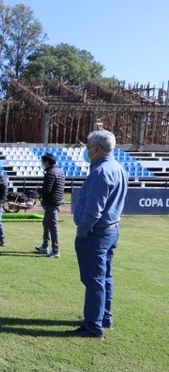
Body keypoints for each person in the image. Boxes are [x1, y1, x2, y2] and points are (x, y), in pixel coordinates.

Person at [69, 130, 128, 339]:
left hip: (96, 233)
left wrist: (82, 230)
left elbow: (94, 210)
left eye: (87, 146)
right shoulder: (118, 168)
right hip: (111, 230)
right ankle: (104, 317)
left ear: (96, 149)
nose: (86, 150)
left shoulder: (101, 172)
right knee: (105, 277)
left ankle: (93, 326)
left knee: (94, 280)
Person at [35, 153, 66, 258]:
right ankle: (44, 246)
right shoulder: (60, 171)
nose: (42, 164)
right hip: (56, 201)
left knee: (53, 226)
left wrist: (38, 192)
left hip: (52, 203)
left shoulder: (51, 173)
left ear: (47, 162)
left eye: (43, 162)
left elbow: (47, 190)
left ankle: (56, 250)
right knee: (47, 224)